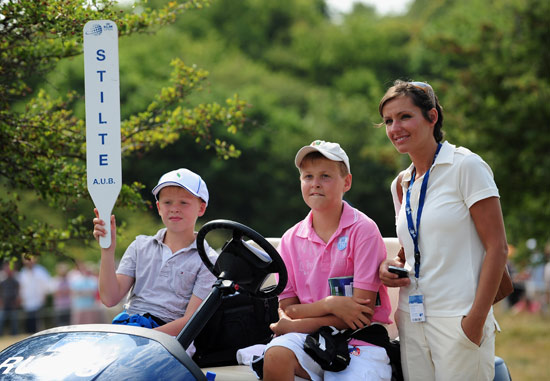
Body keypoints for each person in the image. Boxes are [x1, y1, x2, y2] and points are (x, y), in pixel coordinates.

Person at [377, 80, 508, 381]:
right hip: (411, 319)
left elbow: (497, 247)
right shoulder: (401, 183)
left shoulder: (467, 166)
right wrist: (392, 266)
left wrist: (474, 321)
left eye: (405, 116)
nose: (395, 127)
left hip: (459, 319)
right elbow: (412, 247)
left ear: (432, 117)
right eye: (388, 121)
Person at [263, 140, 393, 381]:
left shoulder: (363, 230)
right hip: (308, 337)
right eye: (308, 176)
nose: (315, 184)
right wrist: (331, 304)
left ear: (347, 182)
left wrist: (296, 324)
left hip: (360, 339)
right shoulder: (290, 238)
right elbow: (287, 307)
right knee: (275, 355)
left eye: (325, 176)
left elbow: (360, 315)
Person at [92, 168, 218, 340]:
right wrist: (107, 251)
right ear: (159, 207)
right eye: (167, 202)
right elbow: (109, 298)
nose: (174, 209)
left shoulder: (208, 260)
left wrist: (144, 336)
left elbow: (191, 321)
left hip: (170, 343)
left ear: (201, 208)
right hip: (130, 330)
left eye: (183, 203)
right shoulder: (140, 246)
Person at [18, 256, 52, 333]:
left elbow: (47, 285)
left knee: (40, 325)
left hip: (39, 302)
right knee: (29, 325)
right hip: (27, 303)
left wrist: (44, 296)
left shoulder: (41, 271)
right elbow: (21, 287)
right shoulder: (23, 272)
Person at [0, 263, 20, 335]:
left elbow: (18, 293)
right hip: (3, 305)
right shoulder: (2, 282)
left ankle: (15, 335)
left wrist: (16, 303)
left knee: (14, 322)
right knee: (1, 321)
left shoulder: (16, 281)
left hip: (12, 305)